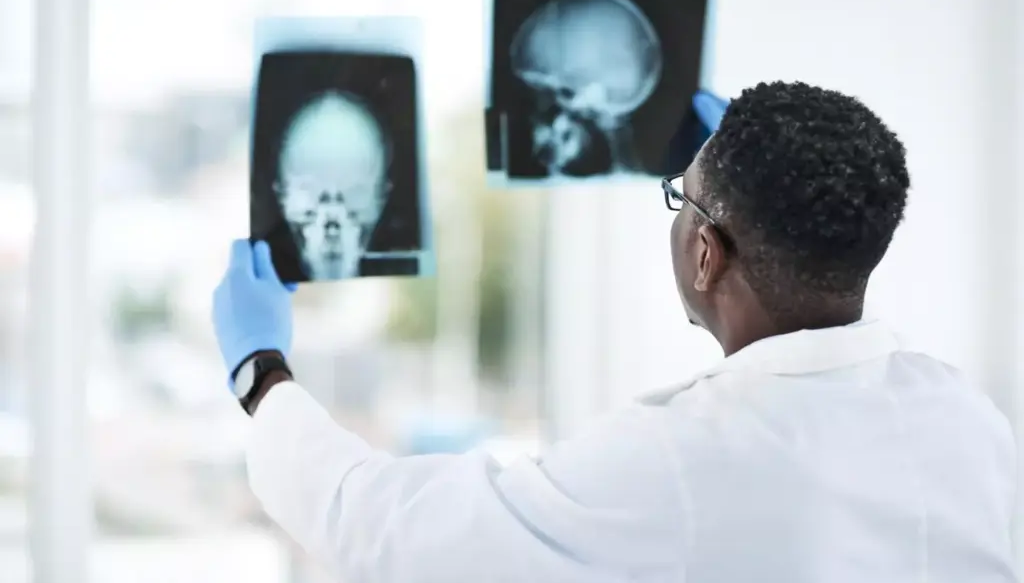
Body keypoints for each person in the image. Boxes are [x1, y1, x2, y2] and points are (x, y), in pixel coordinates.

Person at [213, 81, 1017, 583]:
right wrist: (739, 165)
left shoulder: (681, 461)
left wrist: (261, 370)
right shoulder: (969, 421)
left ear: (705, 253)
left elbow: (394, 532)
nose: (678, 211)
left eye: (683, 199)